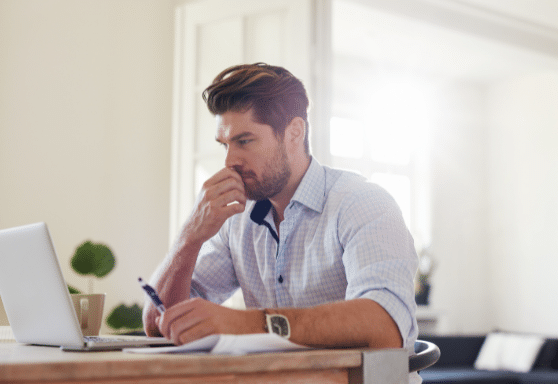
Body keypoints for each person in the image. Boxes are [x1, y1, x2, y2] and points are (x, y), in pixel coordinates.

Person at [143, 63, 419, 359]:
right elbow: (159, 322)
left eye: (244, 141)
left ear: (294, 133)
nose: (229, 162)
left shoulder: (362, 203)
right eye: (225, 145)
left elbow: (386, 326)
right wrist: (190, 236)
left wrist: (244, 323)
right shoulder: (236, 221)